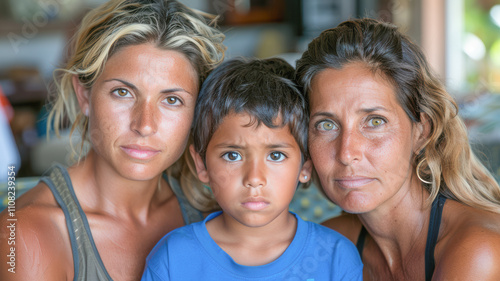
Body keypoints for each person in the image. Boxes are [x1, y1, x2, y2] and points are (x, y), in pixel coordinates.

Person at [0, 0, 225, 280]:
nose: (144, 125)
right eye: (122, 92)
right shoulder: (28, 234)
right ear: (84, 96)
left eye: (171, 100)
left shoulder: (213, 212)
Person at [296, 18, 500, 280]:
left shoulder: (476, 250)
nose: (346, 153)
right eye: (326, 125)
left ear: (422, 131)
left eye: (375, 122)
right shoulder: (334, 243)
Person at [141, 57, 363, 280]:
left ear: (305, 167)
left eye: (276, 156)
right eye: (232, 155)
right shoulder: (174, 258)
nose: (254, 178)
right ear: (202, 165)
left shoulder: (336, 257)